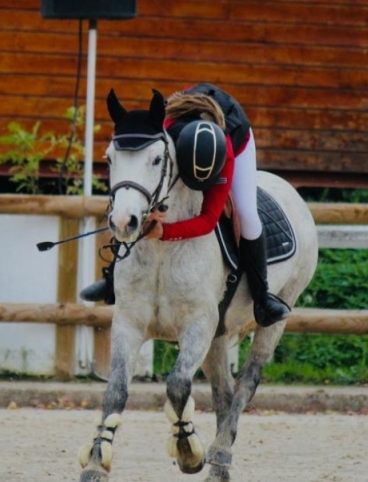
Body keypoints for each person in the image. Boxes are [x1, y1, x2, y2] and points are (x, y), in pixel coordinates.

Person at [81, 83, 290, 327]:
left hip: (236, 135)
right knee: (132, 204)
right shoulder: (164, 137)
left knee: (247, 215)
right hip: (182, 129)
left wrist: (165, 232)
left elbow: (209, 219)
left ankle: (261, 297)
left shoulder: (227, 152)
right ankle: (111, 279)